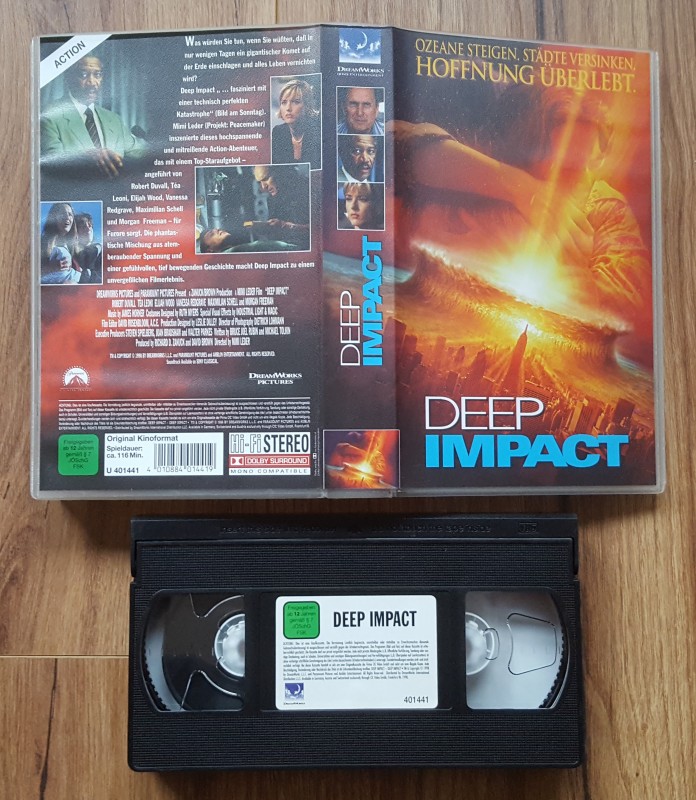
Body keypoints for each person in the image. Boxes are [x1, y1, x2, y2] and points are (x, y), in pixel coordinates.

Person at [40, 55, 147, 177]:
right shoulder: (50, 116)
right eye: (83, 75)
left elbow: (141, 152)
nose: (92, 82)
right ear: (68, 79)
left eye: (97, 75)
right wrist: (86, 158)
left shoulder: (114, 119)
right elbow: (53, 163)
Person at [271, 78, 321, 169]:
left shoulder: (318, 131)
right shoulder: (278, 132)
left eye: (296, 102)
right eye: (284, 102)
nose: (288, 108)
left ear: (307, 105)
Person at [40, 203, 81, 284]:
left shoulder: (73, 248)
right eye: (62, 214)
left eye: (70, 214)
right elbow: (27, 272)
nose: (67, 217)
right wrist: (49, 268)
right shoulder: (41, 243)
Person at [74, 213, 102, 284]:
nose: (88, 228)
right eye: (83, 226)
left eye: (90, 225)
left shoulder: (101, 251)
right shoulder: (70, 254)